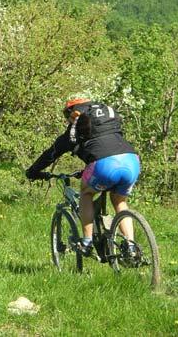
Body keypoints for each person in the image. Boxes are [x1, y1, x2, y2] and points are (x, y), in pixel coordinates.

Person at [26, 98, 140, 256]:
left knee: (86, 193)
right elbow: (107, 145)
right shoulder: (108, 120)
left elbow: (51, 154)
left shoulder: (75, 128)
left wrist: (33, 171)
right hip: (132, 161)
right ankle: (130, 246)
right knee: (120, 201)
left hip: (103, 165)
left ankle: (87, 242)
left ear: (72, 112)